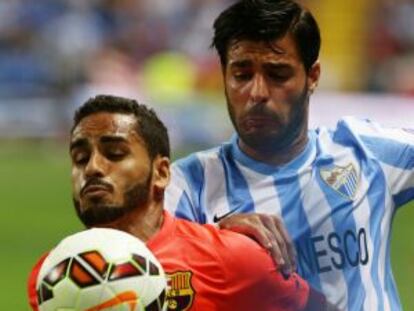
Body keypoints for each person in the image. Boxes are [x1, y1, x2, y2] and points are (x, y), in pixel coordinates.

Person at [164, 0, 414, 310]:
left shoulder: (363, 152)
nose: (257, 92)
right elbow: (142, 277)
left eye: (277, 74)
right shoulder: (188, 184)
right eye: (241, 75)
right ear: (224, 76)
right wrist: (212, 241)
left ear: (313, 76)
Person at [27, 95, 338, 311]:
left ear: (161, 173)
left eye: (115, 153)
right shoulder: (52, 274)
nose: (92, 167)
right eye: (80, 158)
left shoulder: (235, 258)